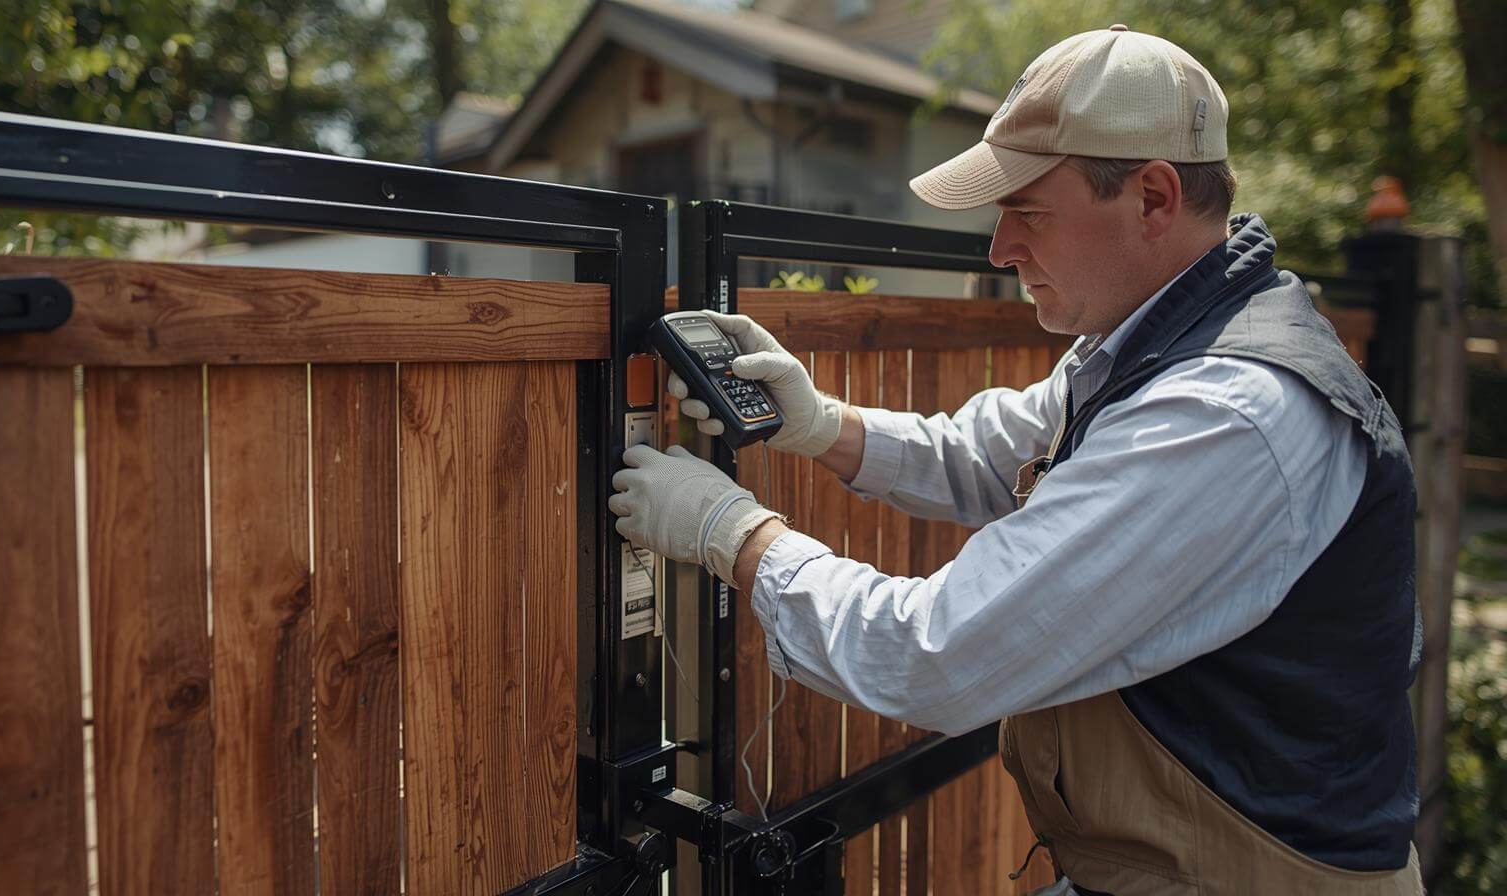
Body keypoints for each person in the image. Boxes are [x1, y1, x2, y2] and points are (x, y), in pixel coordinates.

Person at [608, 25, 1423, 896]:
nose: (999, 250)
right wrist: (821, 424)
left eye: (1027, 213)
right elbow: (992, 457)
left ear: (1152, 197)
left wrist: (733, 533)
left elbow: (937, 654)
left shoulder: (1223, 415)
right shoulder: (1152, 340)